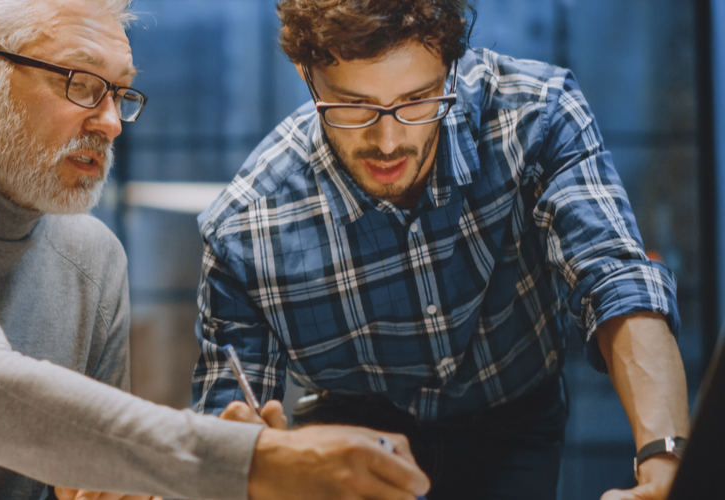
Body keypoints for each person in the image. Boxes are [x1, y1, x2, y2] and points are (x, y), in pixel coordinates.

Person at [0, 0, 431, 499]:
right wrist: (257, 460)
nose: (111, 122)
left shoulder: (94, 258)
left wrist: (127, 484)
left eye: (121, 94)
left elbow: (70, 465)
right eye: (81, 84)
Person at [192, 1, 690, 500]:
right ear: (307, 73)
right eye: (354, 105)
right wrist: (249, 458)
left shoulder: (537, 115)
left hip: (514, 409)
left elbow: (615, 279)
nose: (388, 142)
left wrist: (665, 457)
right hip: (354, 423)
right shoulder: (245, 228)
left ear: (451, 67)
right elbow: (225, 432)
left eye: (417, 99)